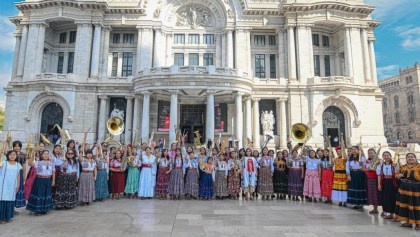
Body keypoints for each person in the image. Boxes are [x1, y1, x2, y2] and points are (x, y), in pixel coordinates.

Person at [395, 153, 420, 230]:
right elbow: (396, 174)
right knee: (406, 205)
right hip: (404, 190)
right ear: (406, 159)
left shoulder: (419, 167)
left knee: (416, 205)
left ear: (415, 158)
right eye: (408, 157)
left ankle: (418, 224)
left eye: (412, 157)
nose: (410, 158)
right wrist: (398, 175)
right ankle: (408, 222)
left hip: (415, 190)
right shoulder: (403, 167)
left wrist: (415, 175)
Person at [26, 150, 55, 216]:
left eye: (47, 154)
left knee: (46, 194)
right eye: (44, 154)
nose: (46, 155)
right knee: (39, 194)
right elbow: (30, 163)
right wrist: (32, 155)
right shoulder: (38, 162)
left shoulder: (52, 163)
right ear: (41, 155)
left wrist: (53, 180)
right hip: (39, 180)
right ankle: (37, 210)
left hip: (48, 180)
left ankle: (44, 209)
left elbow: (53, 172)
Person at [0, 150, 22, 224]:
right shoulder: (3, 163)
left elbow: (18, 175)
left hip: (13, 185)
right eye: (10, 155)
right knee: (2, 199)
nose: (12, 156)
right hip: (3, 185)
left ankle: (8, 217)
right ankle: (1, 218)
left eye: (14, 155)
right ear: (8, 156)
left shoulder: (18, 165)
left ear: (16, 156)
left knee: (10, 200)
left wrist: (18, 185)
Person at [376, 151, 398, 220]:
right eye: (384, 155)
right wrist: (379, 184)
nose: (386, 157)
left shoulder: (395, 164)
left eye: (388, 155)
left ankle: (395, 215)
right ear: (383, 157)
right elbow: (379, 175)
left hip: (393, 182)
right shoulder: (381, 165)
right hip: (384, 182)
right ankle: (389, 214)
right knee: (385, 197)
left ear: (391, 156)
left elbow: (398, 173)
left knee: (393, 198)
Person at [346, 146, 367, 211]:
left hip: (360, 174)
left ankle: (361, 204)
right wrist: (348, 175)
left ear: (358, 150)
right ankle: (355, 203)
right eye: (352, 149)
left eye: (355, 149)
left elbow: (365, 164)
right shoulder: (349, 158)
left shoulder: (362, 157)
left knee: (360, 188)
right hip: (352, 173)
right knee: (353, 187)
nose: (354, 151)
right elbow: (347, 167)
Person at [363, 148, 382, 215]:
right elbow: (363, 169)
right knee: (372, 193)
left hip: (377, 178)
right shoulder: (367, 161)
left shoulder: (379, 161)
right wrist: (368, 169)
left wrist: (375, 169)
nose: (370, 154)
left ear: (375, 153)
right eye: (369, 153)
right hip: (369, 178)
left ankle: (383, 210)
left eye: (372, 153)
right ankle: (375, 208)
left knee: (377, 193)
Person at [12, 141, 26, 213]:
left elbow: (24, 165)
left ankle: (14, 207)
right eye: (15, 146)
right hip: (11, 173)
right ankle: (11, 208)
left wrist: (24, 174)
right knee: (12, 189)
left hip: (19, 173)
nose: (16, 147)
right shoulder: (11, 153)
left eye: (18, 146)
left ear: (20, 147)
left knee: (18, 189)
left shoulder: (23, 154)